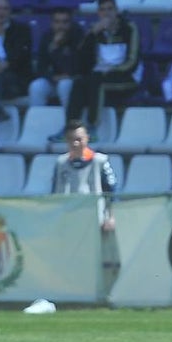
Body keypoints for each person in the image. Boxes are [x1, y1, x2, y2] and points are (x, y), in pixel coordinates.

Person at [52, 119, 119, 299]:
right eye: (71, 139)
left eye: (79, 139)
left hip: (96, 218)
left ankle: (101, 294)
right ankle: (73, 293)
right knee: (72, 256)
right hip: (70, 219)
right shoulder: (61, 163)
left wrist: (110, 216)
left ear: (87, 138)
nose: (75, 143)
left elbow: (111, 192)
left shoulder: (100, 161)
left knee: (98, 256)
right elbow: (55, 194)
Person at [62, 0, 140, 130]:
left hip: (126, 77)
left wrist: (111, 70)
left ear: (116, 10)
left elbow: (133, 61)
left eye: (110, 9)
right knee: (79, 82)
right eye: (103, 10)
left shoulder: (129, 28)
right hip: (99, 75)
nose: (107, 13)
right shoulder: (95, 31)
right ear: (98, 13)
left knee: (96, 81)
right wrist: (92, 34)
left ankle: (93, 127)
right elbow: (80, 59)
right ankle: (71, 128)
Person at [0, 0, 33, 132]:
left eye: (5, 9)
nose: (1, 12)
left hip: (15, 80)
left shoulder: (22, 31)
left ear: (10, 11)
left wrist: (0, 66)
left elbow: (18, 58)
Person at [28, 6, 83, 108]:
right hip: (53, 79)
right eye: (57, 22)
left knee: (64, 85)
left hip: (72, 80)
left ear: (70, 23)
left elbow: (76, 67)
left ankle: (70, 117)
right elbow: (40, 68)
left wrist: (55, 50)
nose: (61, 26)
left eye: (65, 22)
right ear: (52, 23)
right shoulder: (47, 37)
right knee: (36, 86)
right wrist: (52, 77)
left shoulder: (78, 36)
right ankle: (38, 118)